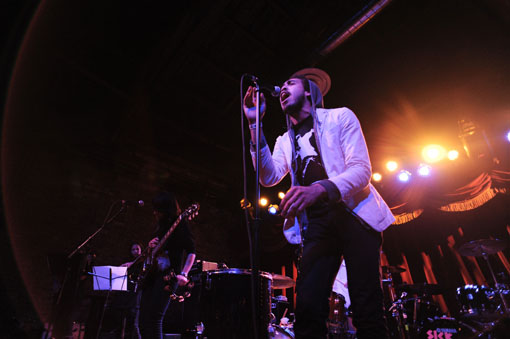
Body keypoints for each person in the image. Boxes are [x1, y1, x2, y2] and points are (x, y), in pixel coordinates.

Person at [243, 70, 395, 338]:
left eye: (291, 83)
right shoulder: (284, 140)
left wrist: (319, 189)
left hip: (355, 216)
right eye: (284, 85)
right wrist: (255, 124)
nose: (283, 89)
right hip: (317, 225)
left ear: (310, 91)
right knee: (308, 308)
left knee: (366, 309)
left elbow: (361, 170)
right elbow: (268, 177)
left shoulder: (340, 117)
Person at [135, 191, 196, 339]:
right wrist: (149, 247)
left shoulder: (180, 224)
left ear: (166, 209)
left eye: (158, 209)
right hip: (152, 274)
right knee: (142, 320)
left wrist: (184, 273)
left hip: (168, 275)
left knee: (155, 318)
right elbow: (151, 252)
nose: (154, 212)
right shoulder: (160, 226)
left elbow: (191, 252)